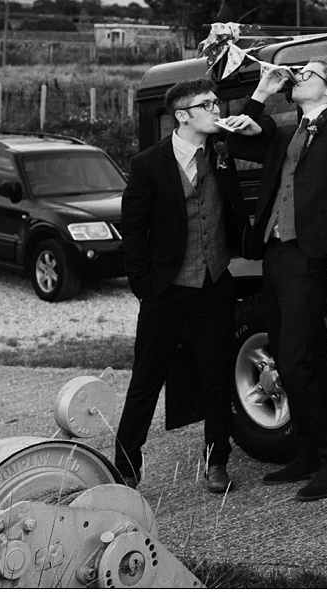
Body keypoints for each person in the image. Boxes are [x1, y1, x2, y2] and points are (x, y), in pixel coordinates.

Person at [223, 59, 327, 501]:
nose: (297, 78)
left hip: (314, 252)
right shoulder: (286, 129)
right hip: (276, 252)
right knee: (289, 353)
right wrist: (263, 90)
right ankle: (308, 451)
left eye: (306, 74)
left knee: (294, 359)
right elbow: (233, 140)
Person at [113, 78, 250, 494]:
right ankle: (125, 468)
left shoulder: (222, 152)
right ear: (183, 115)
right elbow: (133, 232)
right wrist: (145, 287)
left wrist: (256, 109)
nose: (217, 109)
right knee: (146, 380)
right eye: (207, 104)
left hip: (213, 283)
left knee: (215, 376)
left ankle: (216, 462)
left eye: (217, 102)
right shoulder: (148, 164)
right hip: (166, 289)